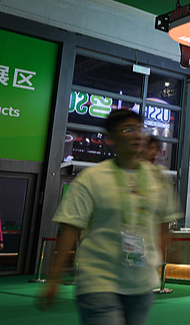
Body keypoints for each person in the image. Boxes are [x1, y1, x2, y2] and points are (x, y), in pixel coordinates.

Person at [41, 109, 180, 325]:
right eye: (128, 130)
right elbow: (70, 229)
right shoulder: (92, 178)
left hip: (141, 285)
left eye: (139, 129)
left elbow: (163, 225)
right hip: (98, 281)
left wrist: (160, 260)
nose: (136, 135)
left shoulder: (158, 179)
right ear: (111, 138)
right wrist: (54, 277)